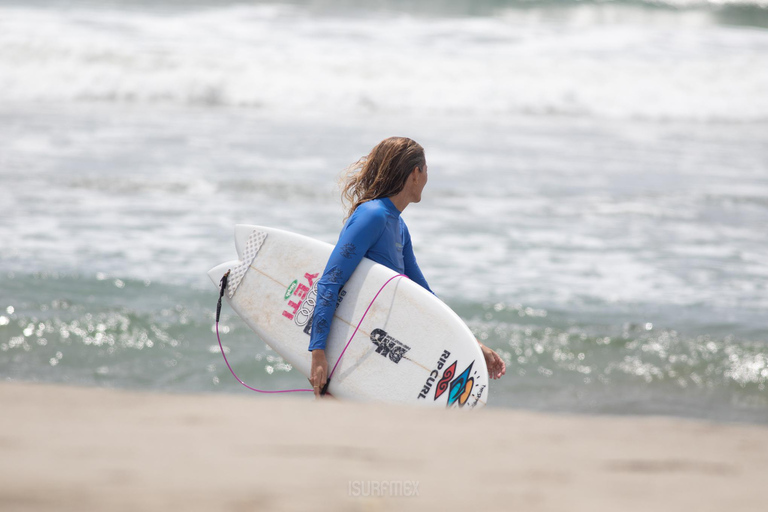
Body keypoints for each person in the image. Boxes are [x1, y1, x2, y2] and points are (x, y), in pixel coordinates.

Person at [308, 137, 506, 397]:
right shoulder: (373, 216)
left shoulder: (399, 227)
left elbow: (424, 297)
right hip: (347, 349)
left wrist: (473, 344)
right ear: (415, 173)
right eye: (426, 171)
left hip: (378, 348)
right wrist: (318, 353)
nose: (426, 178)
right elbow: (331, 280)